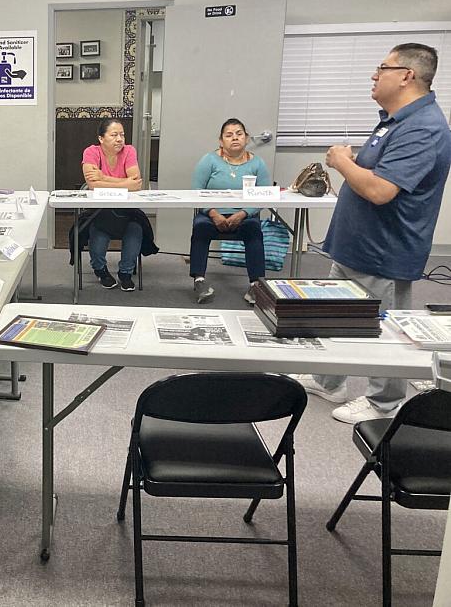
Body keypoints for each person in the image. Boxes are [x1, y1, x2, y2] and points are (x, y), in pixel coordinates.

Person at [298, 43, 451, 424]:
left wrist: (341, 161)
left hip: (384, 248)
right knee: (337, 315)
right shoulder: (393, 120)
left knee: (381, 328)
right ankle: (328, 381)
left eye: (382, 67)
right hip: (356, 245)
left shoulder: (423, 128)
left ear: (406, 75)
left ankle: (385, 402)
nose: (373, 75)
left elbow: (381, 191)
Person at [189, 118, 270, 304]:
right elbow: (195, 192)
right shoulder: (209, 160)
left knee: (254, 230)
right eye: (229, 135)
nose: (235, 138)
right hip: (211, 215)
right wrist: (213, 213)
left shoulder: (258, 164)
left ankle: (255, 285)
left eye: (239, 134)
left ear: (247, 138)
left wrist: (243, 213)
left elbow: (264, 196)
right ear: (221, 141)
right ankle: (199, 281)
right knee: (200, 228)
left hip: (244, 215)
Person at [81, 118, 152, 291]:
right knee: (98, 233)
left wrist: (104, 178)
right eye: (114, 135)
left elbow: (136, 184)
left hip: (126, 212)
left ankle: (125, 272)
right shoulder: (91, 152)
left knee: (136, 230)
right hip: (100, 211)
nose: (120, 139)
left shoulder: (129, 151)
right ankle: (101, 270)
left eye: (122, 134)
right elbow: (92, 185)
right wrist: (124, 184)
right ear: (101, 138)